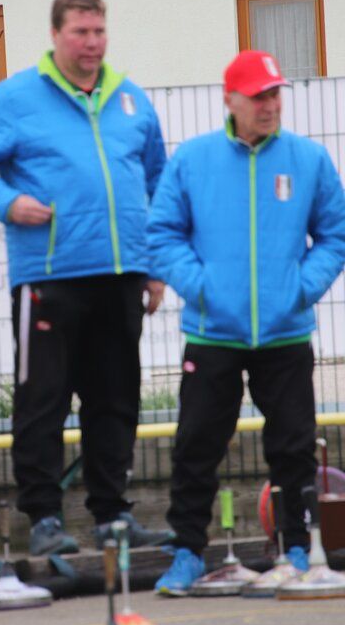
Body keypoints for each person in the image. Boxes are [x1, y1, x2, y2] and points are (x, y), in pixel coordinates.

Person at [0, 0, 173, 556]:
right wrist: (6, 203)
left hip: (121, 274)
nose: (92, 43)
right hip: (48, 277)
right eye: (80, 32)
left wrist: (154, 266)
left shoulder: (130, 99)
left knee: (115, 400)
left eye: (99, 31)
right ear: (55, 35)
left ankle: (113, 517)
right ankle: (44, 520)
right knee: (42, 402)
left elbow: (159, 184)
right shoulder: (18, 97)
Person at [148, 49, 345, 595]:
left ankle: (297, 550)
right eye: (258, 96)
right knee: (196, 445)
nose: (270, 105)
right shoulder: (194, 159)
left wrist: (301, 288)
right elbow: (163, 233)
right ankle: (187, 552)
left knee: (294, 448)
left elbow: (335, 235)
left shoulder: (309, 159)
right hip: (212, 332)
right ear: (229, 99)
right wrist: (201, 287)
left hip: (285, 332)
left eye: (275, 93)